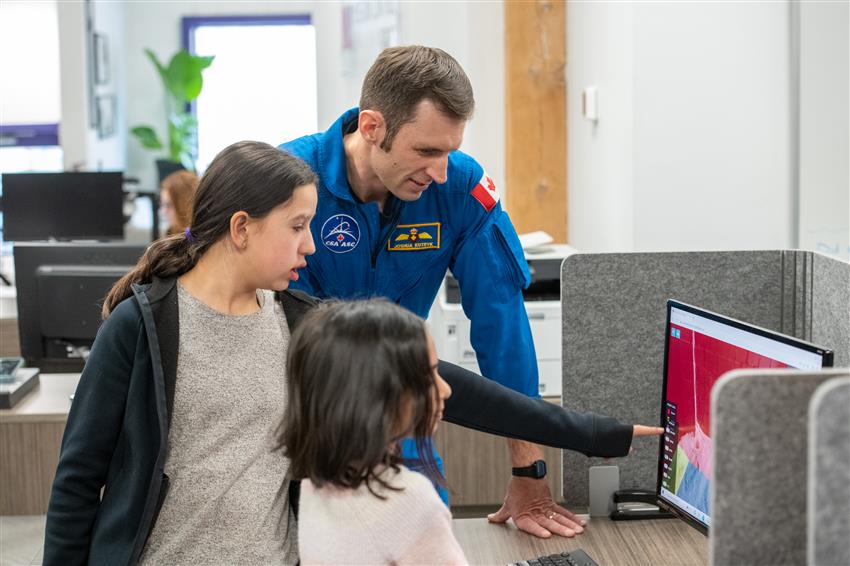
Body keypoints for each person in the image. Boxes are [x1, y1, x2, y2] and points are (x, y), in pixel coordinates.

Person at [43, 139, 658, 565]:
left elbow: (445, 383)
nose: (311, 246)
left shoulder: (296, 324)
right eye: (297, 227)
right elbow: (77, 480)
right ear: (240, 228)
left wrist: (596, 432)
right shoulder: (142, 326)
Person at [279, 45, 570, 536]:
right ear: (372, 128)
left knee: (426, 533)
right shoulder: (289, 181)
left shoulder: (460, 188)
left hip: (401, 418)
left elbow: (503, 324)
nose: (439, 171)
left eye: (450, 151)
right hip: (301, 424)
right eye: (427, 151)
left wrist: (528, 468)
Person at [279, 299, 468, 565]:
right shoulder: (409, 499)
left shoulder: (315, 486)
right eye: (429, 376)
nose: (445, 389)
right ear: (377, 395)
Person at [159, 169, 199, 236]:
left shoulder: (199, 239)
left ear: (185, 204)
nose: (163, 212)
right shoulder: (170, 233)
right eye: (162, 205)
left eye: (169, 205)